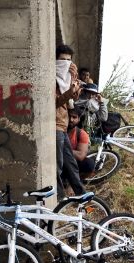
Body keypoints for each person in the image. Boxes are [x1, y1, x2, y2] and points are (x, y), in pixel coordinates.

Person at [55, 44, 87, 199]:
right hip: (54, 125)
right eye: (62, 60)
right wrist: (69, 92)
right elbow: (54, 102)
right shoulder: (53, 79)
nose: (65, 63)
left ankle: (83, 197)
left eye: (69, 60)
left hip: (62, 125)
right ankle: (59, 200)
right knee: (58, 165)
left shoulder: (65, 79)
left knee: (70, 164)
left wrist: (74, 90)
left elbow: (69, 104)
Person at [67, 107, 96, 180]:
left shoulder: (81, 134)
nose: (71, 120)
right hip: (58, 161)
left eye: (74, 117)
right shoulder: (56, 130)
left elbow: (80, 155)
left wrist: (63, 148)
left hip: (72, 162)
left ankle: (74, 182)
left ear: (79, 119)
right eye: (69, 116)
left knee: (89, 164)